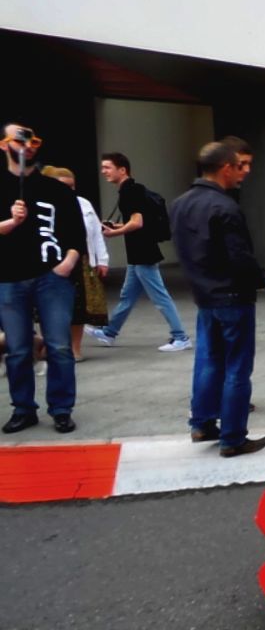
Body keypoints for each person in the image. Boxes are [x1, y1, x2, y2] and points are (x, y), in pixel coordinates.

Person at [170, 140, 265, 457]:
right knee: (236, 368)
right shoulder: (225, 208)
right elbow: (240, 258)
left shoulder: (180, 204)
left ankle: (202, 423)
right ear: (225, 168)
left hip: (204, 295)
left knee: (209, 362)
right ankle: (233, 437)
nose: (243, 173)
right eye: (239, 166)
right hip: (232, 295)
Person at [0, 122, 86, 434]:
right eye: (20, 139)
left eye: (33, 140)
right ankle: (23, 409)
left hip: (52, 277)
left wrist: (68, 262)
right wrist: (10, 223)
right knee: (18, 348)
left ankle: (62, 409)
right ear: (4, 145)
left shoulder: (57, 190)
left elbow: (77, 233)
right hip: (8, 278)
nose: (28, 145)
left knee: (59, 345)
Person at [89, 152, 191, 352]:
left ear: (122, 170)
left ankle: (181, 337)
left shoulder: (130, 192)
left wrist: (114, 232)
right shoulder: (131, 190)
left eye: (107, 167)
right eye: (103, 168)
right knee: (127, 296)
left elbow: (137, 223)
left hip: (143, 253)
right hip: (137, 254)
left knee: (160, 297)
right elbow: (135, 221)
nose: (103, 172)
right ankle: (109, 333)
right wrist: (116, 226)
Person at [42, 166, 109, 362]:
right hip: (51, 260)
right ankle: (51, 345)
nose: (69, 190)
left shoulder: (83, 204)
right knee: (50, 307)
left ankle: (75, 348)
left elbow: (96, 232)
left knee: (78, 308)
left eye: (72, 186)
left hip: (81, 259)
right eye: (64, 186)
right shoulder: (44, 205)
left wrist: (102, 259)